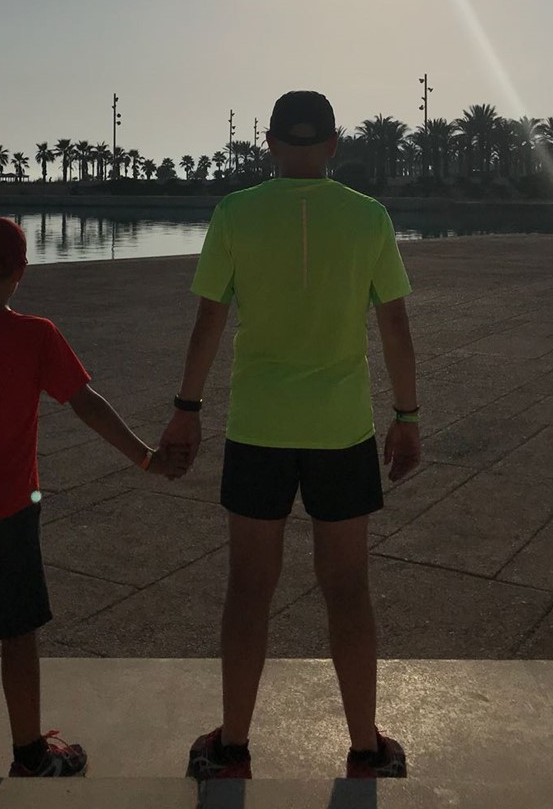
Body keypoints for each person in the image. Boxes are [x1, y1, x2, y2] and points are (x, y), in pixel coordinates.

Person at [159, 90, 422, 782]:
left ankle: (233, 747)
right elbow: (395, 327)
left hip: (260, 427)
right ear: (334, 144)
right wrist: (408, 416)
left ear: (269, 143)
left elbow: (208, 323)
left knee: (249, 588)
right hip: (342, 430)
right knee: (348, 588)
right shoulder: (369, 217)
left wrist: (186, 407)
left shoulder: (235, 212)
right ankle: (366, 747)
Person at [0, 215, 181, 779]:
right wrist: (145, 457)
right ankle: (28, 753)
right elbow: (87, 404)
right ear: (21, 272)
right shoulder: (37, 336)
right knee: (18, 632)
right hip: (8, 509)